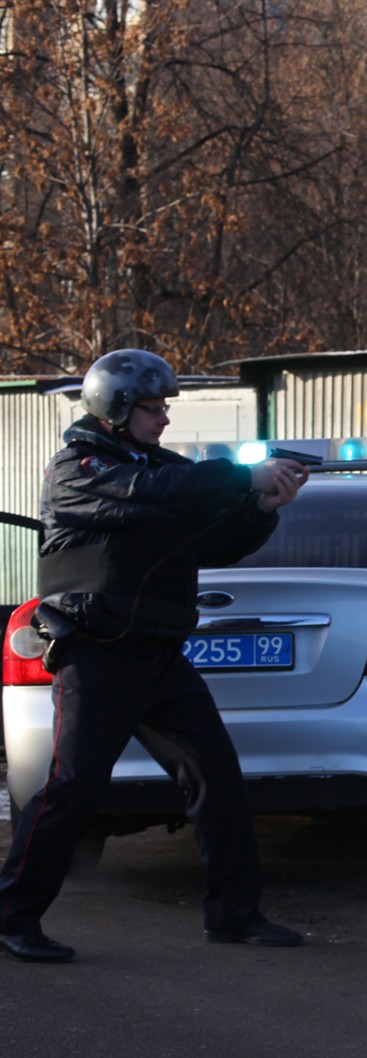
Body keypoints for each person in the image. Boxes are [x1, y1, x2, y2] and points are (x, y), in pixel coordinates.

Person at [0, 349, 309, 963]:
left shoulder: (159, 468)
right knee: (74, 787)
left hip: (160, 655)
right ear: (115, 407)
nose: (164, 419)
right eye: (152, 408)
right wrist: (239, 477)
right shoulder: (80, 469)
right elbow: (151, 491)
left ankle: (234, 915)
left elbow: (213, 540)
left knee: (216, 779)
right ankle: (12, 916)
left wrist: (261, 510)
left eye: (165, 407)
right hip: (97, 653)